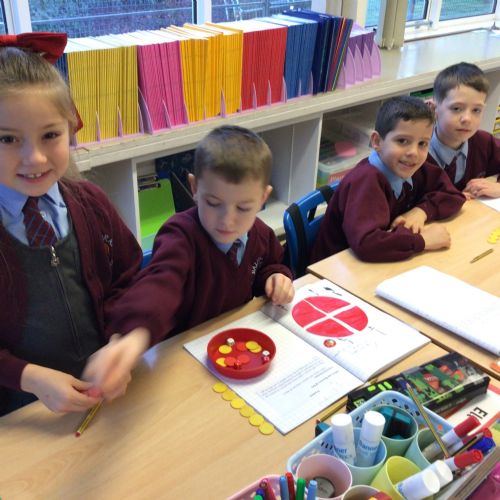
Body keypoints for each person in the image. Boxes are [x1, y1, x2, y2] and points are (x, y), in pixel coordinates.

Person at [0, 34, 153, 416]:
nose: (35, 158)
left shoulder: (91, 204)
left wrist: (121, 338)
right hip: (22, 414)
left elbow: (130, 278)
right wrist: (29, 377)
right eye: (8, 139)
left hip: (106, 398)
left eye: (50, 135)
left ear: (70, 129)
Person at [105, 125, 294, 343]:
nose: (227, 220)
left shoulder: (260, 233)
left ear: (263, 198)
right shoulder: (179, 236)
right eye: (213, 203)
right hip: (183, 347)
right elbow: (161, 283)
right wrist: (136, 331)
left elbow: (271, 264)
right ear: (194, 188)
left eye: (243, 208)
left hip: (233, 336)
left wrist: (275, 277)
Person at [310, 95, 466, 263]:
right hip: (335, 270)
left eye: (422, 143)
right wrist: (423, 241)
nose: (413, 152)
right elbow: (367, 244)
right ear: (377, 141)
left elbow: (453, 196)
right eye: (402, 141)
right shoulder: (366, 181)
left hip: (375, 263)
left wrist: (421, 212)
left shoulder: (414, 167)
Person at [427, 62, 500, 199]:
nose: (467, 119)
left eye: (476, 110)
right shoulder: (416, 154)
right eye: (456, 108)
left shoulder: (483, 142)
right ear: (433, 108)